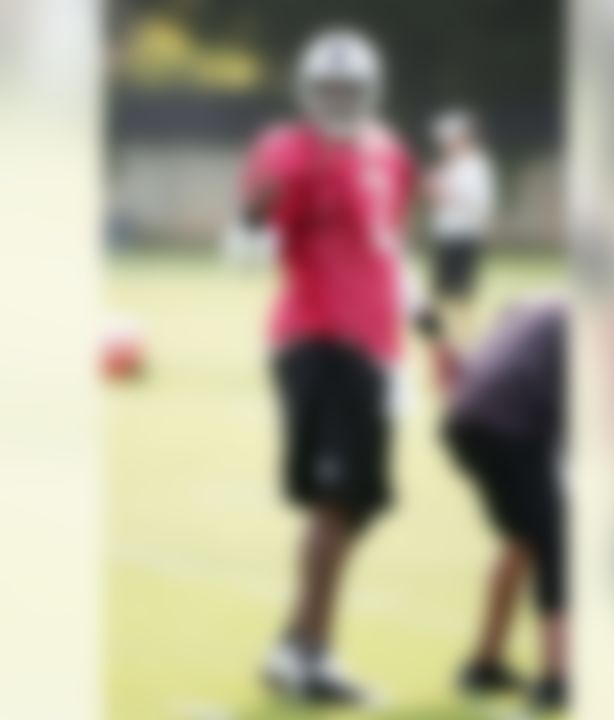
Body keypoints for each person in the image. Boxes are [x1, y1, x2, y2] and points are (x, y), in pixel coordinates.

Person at [233, 27, 415, 706]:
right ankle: (310, 655)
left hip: (374, 347)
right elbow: (251, 230)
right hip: (318, 337)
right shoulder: (289, 147)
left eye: (350, 89)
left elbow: (389, 244)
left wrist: (413, 335)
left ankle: (293, 646)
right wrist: (259, 202)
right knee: (337, 499)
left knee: (362, 502)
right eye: (327, 88)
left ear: (371, 91)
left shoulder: (391, 152)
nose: (338, 99)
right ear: (308, 91)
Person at [439, 295, 569, 713]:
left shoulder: (545, 304)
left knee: (525, 536)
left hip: (467, 416)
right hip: (508, 423)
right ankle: (558, 676)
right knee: (556, 541)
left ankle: (485, 664)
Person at [426, 109, 499, 348]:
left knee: (464, 294)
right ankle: (441, 341)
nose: (446, 144)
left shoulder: (477, 166)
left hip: (465, 237)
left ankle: (467, 339)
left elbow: (481, 203)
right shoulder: (450, 166)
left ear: (464, 138)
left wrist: (447, 192)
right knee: (440, 292)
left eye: (450, 138)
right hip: (445, 236)